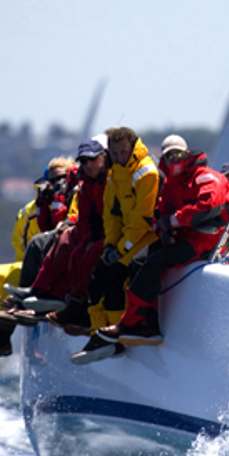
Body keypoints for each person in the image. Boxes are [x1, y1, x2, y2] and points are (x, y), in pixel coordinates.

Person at [92, 136, 229, 349]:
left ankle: (128, 323)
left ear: (186, 154)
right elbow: (161, 212)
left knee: (154, 263)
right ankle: (146, 325)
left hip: (204, 240)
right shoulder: (169, 183)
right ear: (164, 158)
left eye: (177, 153)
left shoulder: (205, 177)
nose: (173, 158)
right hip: (180, 237)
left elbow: (208, 206)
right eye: (169, 154)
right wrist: (163, 227)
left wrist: (173, 221)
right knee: (137, 261)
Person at [0, 158, 75, 363]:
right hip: (39, 264)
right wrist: (47, 204)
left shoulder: (77, 197)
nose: (56, 184)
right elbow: (26, 247)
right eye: (52, 180)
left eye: (61, 179)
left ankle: (0, 343)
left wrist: (57, 203)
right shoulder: (32, 210)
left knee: (13, 276)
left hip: (62, 266)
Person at [71, 127, 159, 363]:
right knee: (97, 276)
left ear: (132, 148)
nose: (120, 157)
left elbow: (143, 220)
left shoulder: (147, 173)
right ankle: (98, 335)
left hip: (147, 237)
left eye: (124, 152)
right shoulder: (114, 175)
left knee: (115, 274)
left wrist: (121, 249)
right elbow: (111, 215)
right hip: (123, 241)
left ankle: (117, 334)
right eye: (116, 153)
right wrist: (111, 245)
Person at [5, 136, 110, 333]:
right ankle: (39, 295)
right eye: (84, 161)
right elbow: (62, 221)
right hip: (88, 231)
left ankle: (81, 312)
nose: (87, 165)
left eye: (59, 178)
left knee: (80, 254)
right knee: (62, 244)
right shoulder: (85, 184)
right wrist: (47, 202)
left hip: (113, 234)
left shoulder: (111, 179)